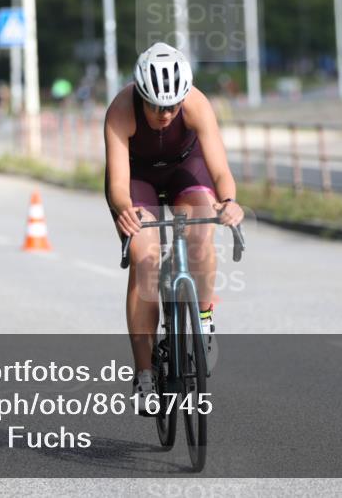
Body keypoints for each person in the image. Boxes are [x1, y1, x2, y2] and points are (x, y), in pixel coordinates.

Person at [103, 42, 244, 415]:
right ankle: (145, 374)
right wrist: (123, 210)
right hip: (138, 178)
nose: (165, 114)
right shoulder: (121, 109)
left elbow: (219, 171)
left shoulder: (197, 103)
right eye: (155, 105)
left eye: (172, 106)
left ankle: (204, 319)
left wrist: (228, 202)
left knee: (202, 237)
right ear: (141, 96)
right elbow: (118, 182)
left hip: (186, 168)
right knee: (145, 260)